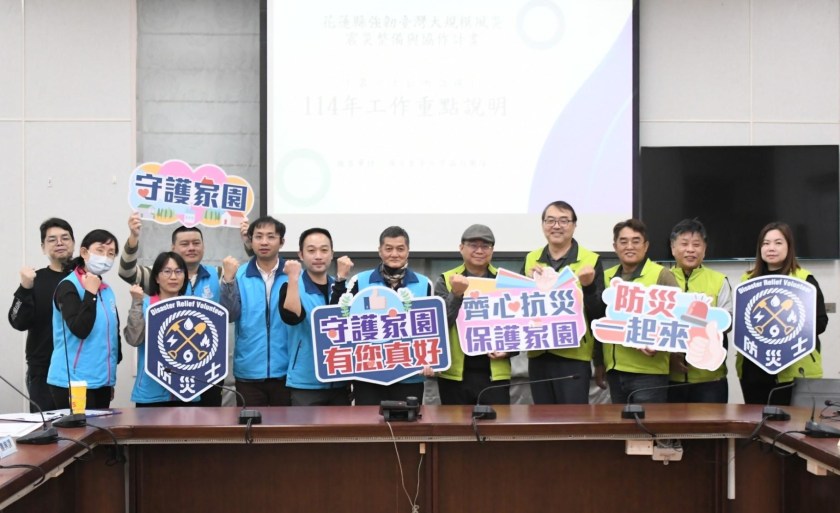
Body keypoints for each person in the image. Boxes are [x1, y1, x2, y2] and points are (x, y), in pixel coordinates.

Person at [118, 212, 251, 406]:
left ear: (204, 246)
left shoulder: (220, 273)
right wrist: (133, 237)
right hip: (160, 379)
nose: (191, 248)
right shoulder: (157, 276)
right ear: (173, 247)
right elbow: (126, 271)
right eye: (185, 244)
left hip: (207, 370)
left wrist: (247, 243)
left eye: (196, 243)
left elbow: (233, 310)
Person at [331, 226, 432, 405]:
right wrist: (340, 279)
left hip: (409, 376)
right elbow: (338, 318)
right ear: (380, 251)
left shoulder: (425, 284)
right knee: (368, 422)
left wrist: (432, 360)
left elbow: (432, 329)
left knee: (408, 422)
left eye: (400, 249)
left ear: (408, 251)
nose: (394, 254)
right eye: (388, 248)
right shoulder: (360, 281)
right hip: (368, 376)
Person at [522, 201, 605, 404]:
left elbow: (599, 314)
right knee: (541, 418)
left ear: (574, 225)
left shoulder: (590, 260)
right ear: (543, 225)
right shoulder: (531, 259)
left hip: (574, 355)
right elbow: (516, 307)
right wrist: (527, 284)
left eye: (564, 221)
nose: (556, 226)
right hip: (539, 352)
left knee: (573, 418)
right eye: (550, 220)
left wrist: (588, 286)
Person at [738, 222, 828, 406]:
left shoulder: (805, 280)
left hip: (796, 369)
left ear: (789, 246)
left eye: (778, 243)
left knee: (794, 423)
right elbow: (742, 324)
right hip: (754, 371)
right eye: (766, 243)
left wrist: (787, 334)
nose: (771, 248)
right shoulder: (747, 281)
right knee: (757, 422)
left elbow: (820, 322)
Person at [596, 219, 678, 404]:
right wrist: (599, 362)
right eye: (623, 241)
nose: (629, 247)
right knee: (620, 423)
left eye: (636, 241)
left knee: (647, 422)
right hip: (615, 371)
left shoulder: (661, 274)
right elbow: (599, 320)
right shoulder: (606, 277)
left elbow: (678, 319)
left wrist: (659, 343)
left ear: (646, 246)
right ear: (615, 247)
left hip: (649, 374)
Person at [435, 224, 512, 405]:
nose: (479, 251)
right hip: (455, 376)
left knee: (498, 423)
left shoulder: (505, 281)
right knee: (454, 424)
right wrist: (456, 294)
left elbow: (521, 324)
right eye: (473, 245)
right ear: (461, 247)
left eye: (485, 246)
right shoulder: (446, 279)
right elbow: (440, 324)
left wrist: (510, 350)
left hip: (494, 375)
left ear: (492, 250)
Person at [220, 216, 291, 407]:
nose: (264, 242)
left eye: (271, 236)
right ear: (250, 241)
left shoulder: (293, 274)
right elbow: (230, 315)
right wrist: (227, 282)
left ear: (282, 242)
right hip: (248, 371)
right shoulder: (239, 274)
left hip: (286, 370)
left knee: (287, 426)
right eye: (258, 237)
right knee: (250, 424)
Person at [48, 229, 121, 410]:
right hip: (73, 382)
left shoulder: (106, 289)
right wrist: (90, 293)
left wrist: (109, 378)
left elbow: (113, 333)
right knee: (79, 429)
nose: (105, 257)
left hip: (102, 381)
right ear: (84, 252)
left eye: (111, 253)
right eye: (100, 250)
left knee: (101, 428)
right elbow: (80, 329)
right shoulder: (68, 286)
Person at [8, 218, 75, 412]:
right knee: (46, 428)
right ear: (43, 247)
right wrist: (24, 287)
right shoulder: (35, 280)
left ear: (73, 243)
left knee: (85, 426)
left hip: (82, 369)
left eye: (65, 238)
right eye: (52, 239)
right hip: (43, 370)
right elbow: (16, 321)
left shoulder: (86, 280)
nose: (59, 243)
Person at [280, 228, 350, 406]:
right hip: (305, 382)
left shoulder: (343, 286)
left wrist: (341, 281)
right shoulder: (291, 286)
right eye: (311, 250)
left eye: (324, 250)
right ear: (301, 255)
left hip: (340, 380)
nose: (318, 256)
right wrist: (293, 278)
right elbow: (292, 318)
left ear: (332, 254)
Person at [667, 219, 732, 403]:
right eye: (684, 244)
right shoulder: (660, 280)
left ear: (704, 249)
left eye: (696, 245)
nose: (690, 250)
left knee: (711, 423)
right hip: (670, 378)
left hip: (710, 378)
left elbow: (728, 322)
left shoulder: (719, 280)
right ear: (673, 248)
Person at [124, 252, 201, 406]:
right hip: (150, 392)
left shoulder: (195, 307)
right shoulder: (145, 305)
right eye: (167, 271)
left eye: (178, 271)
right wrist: (136, 302)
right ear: (157, 278)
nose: (173, 277)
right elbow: (134, 339)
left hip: (187, 391)